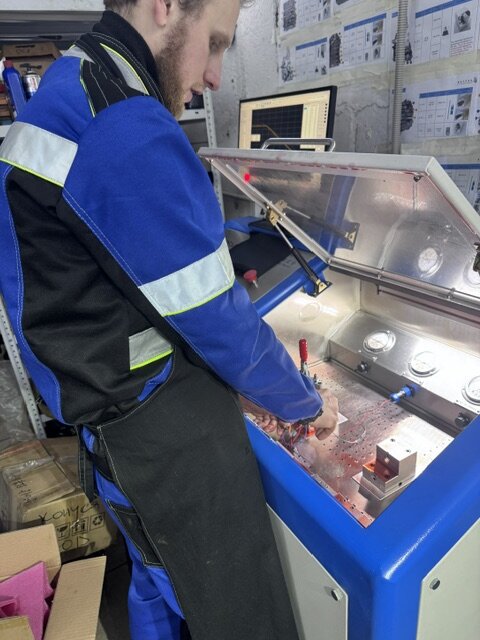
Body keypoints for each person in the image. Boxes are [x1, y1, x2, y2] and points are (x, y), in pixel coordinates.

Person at [0, 1, 338, 638]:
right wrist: (304, 403)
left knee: (156, 582)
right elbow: (217, 319)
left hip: (109, 421)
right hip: (159, 431)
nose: (215, 75)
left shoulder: (75, 83)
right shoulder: (123, 120)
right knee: (241, 617)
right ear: (164, 6)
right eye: (216, 42)